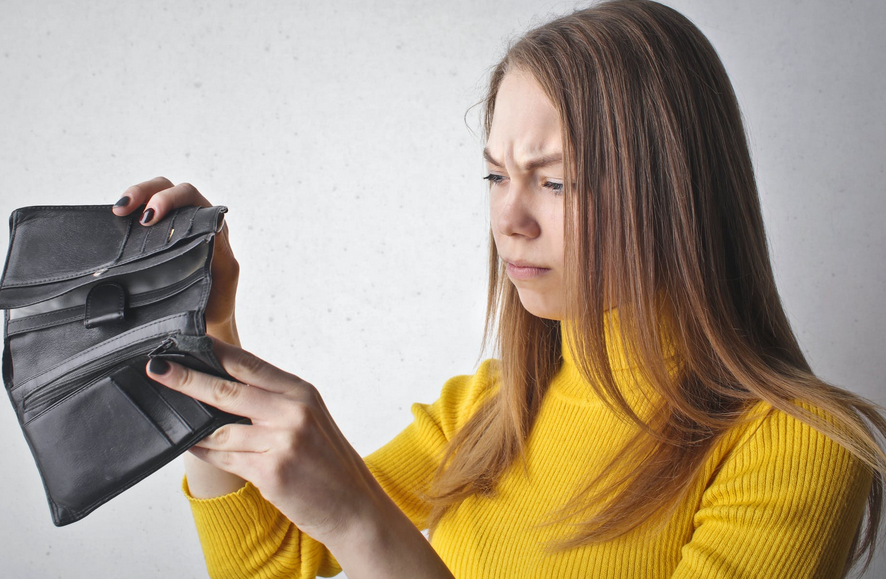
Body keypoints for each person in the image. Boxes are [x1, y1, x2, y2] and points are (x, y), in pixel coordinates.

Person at [112, 1, 886, 577]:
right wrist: (203, 332)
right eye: (496, 175)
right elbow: (269, 563)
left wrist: (361, 518)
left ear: (674, 192)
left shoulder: (799, 445)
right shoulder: (489, 408)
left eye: (556, 180)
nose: (508, 220)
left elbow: (342, 532)